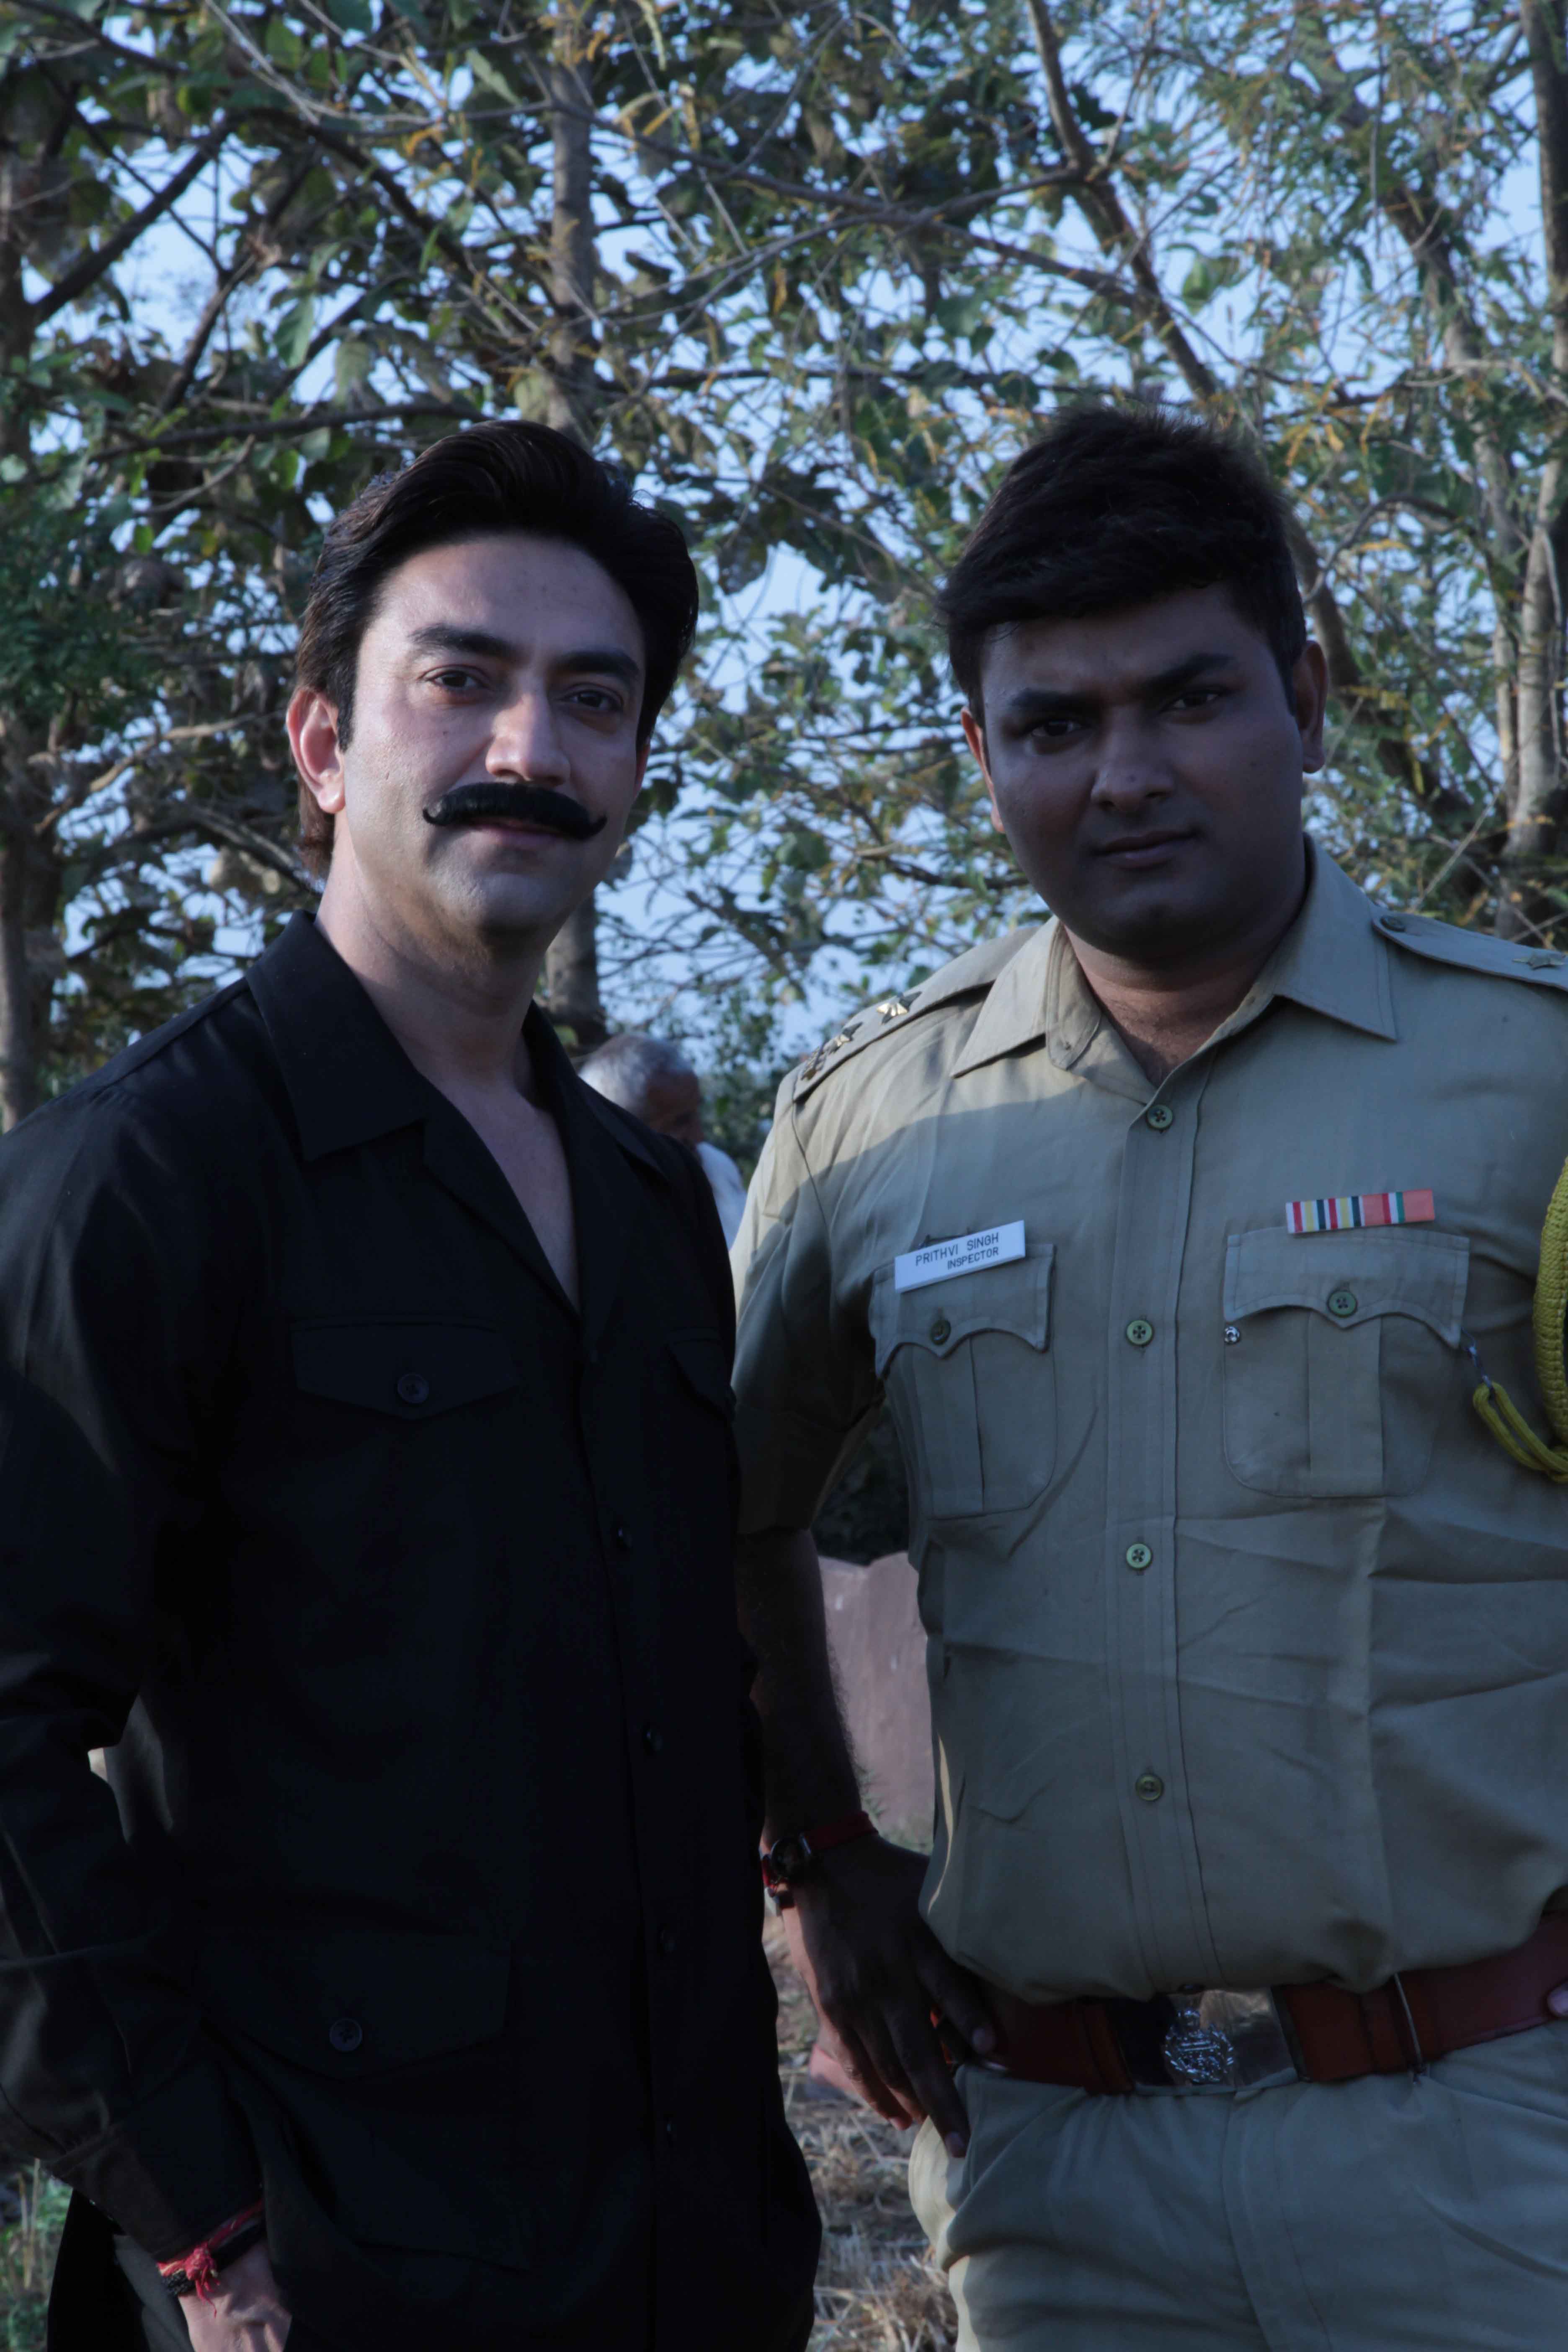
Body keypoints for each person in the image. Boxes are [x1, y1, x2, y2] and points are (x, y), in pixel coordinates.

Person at [730, 402, 1568, 2349]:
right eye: (1055, 723)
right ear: (982, 754)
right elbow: (723, 1507)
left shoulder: (1531, 1078)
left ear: (1307, 695)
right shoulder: (873, 1132)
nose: (1125, 774)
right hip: (1058, 2183)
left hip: (1487, 2151)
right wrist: (821, 1857)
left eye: (1190, 699)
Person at [0, 420, 816, 2352]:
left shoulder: (650, 1207)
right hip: (321, 2280)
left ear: (634, 767)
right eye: (460, 679)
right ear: (319, 744)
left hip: (682, 2264)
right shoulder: (148, 1176)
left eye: (592, 699)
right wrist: (201, 2224)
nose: (529, 745)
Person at [578, 1033, 749, 1245]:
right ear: (622, 1133)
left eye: (696, 1113)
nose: (699, 1136)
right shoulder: (598, 1217)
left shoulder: (715, 1166)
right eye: (680, 1122)